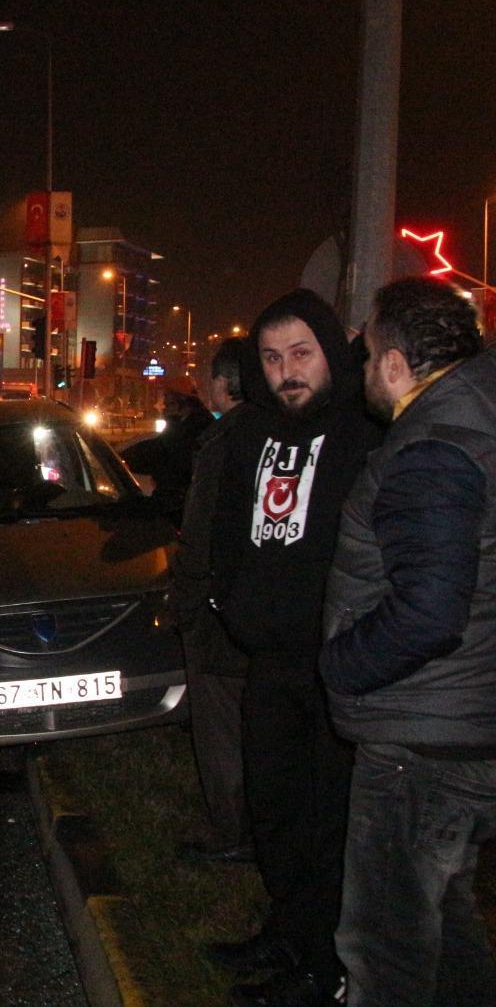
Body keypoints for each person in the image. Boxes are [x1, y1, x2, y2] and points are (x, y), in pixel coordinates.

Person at [319, 277, 496, 1006]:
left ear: (396, 364)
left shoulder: (432, 446)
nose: (362, 371)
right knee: (448, 932)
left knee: (384, 948)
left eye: (366, 355)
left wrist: (339, 665)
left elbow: (428, 612)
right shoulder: (479, 415)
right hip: (461, 728)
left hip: (418, 744)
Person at [203, 289, 382, 1007]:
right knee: (274, 809)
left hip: (337, 665)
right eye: (273, 359)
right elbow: (228, 525)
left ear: (332, 353)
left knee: (328, 819)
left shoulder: (366, 434)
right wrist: (230, 599)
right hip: (268, 659)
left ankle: (326, 964)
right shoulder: (250, 432)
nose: (287, 372)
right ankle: (287, 930)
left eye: (301, 354)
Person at [172, 337, 253, 866]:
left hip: (220, 612)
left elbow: (199, 531)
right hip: (256, 609)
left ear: (224, 384)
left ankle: (232, 834)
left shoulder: (226, 441)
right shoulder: (277, 434)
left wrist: (186, 598)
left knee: (221, 727)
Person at [121, 378, 214, 522]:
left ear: (182, 402)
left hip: (179, 506)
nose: (163, 405)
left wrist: (118, 460)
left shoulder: (191, 431)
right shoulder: (190, 425)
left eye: (168, 399)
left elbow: (160, 452)